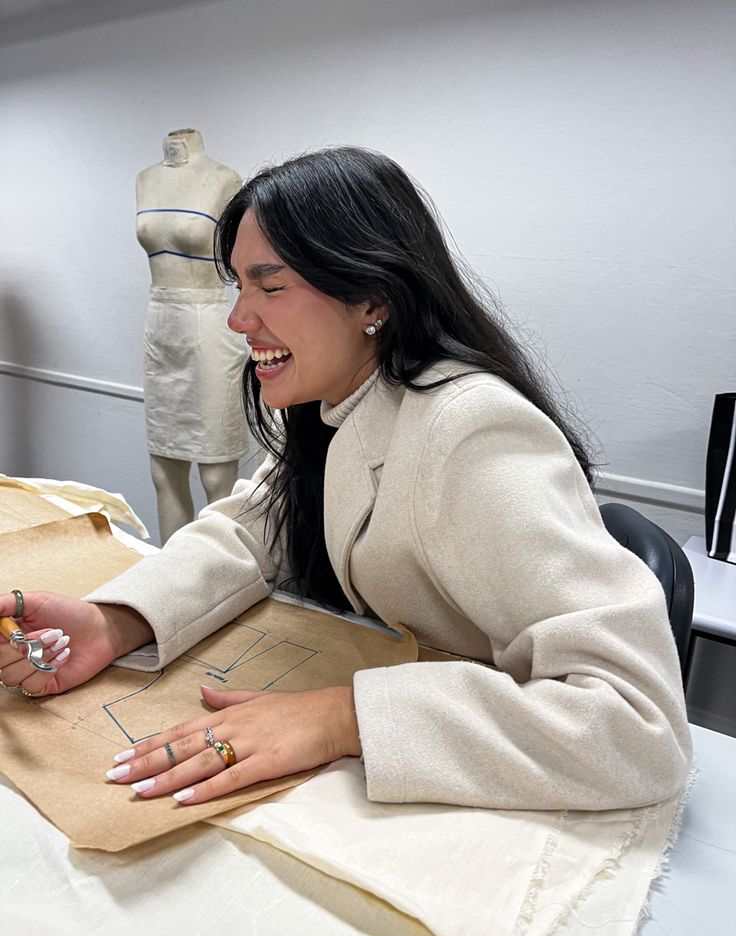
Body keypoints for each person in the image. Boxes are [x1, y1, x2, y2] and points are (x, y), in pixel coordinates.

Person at [0, 147, 691, 811]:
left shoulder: (472, 430)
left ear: (372, 299)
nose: (240, 319)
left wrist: (344, 716)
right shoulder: (341, 399)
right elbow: (251, 529)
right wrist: (113, 620)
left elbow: (640, 725)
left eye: (270, 286)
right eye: (239, 287)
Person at [136, 128, 249, 543]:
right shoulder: (145, 179)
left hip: (207, 324)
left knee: (217, 471)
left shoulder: (224, 179)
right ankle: (169, 579)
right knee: (163, 468)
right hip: (160, 326)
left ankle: (219, 575)